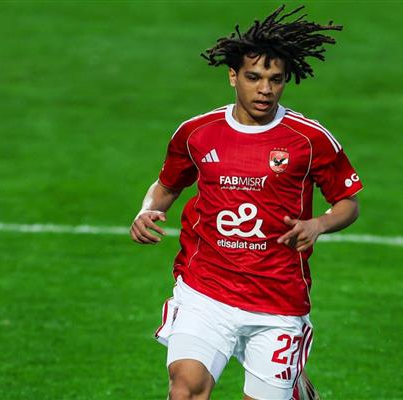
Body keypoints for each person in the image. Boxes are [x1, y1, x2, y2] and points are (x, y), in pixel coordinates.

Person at [130, 5, 363, 400]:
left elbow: (348, 202)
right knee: (186, 388)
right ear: (233, 76)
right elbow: (166, 185)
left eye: (276, 79)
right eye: (254, 77)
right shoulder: (197, 133)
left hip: (277, 298)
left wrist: (318, 224)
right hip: (206, 289)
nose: (265, 89)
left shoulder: (309, 139)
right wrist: (148, 209)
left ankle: (295, 387)